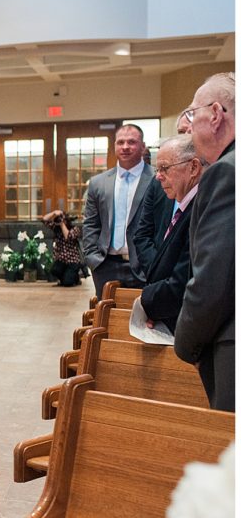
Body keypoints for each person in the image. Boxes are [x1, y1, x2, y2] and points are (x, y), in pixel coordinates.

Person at [175, 72, 235, 413]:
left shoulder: (227, 172)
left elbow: (214, 279)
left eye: (191, 113)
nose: (186, 126)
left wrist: (185, 344)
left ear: (215, 115)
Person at [138, 135, 204, 333]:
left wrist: (146, 302)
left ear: (193, 167)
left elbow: (186, 279)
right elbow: (142, 235)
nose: (158, 176)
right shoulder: (185, 204)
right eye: (157, 169)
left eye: (165, 168)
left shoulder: (200, 208)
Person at [81, 124, 155, 297]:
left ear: (143, 146)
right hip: (105, 266)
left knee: (142, 314)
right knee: (105, 313)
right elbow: (91, 224)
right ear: (114, 146)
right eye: (120, 142)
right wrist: (92, 258)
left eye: (132, 142)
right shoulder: (98, 183)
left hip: (144, 267)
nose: (125, 147)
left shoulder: (156, 179)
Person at [41, 209, 83, 287]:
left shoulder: (75, 229)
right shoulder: (56, 228)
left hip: (72, 261)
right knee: (54, 271)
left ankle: (75, 278)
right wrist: (54, 213)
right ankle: (66, 279)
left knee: (68, 283)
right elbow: (44, 219)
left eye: (63, 219)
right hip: (61, 260)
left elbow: (68, 237)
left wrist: (62, 224)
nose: (60, 221)